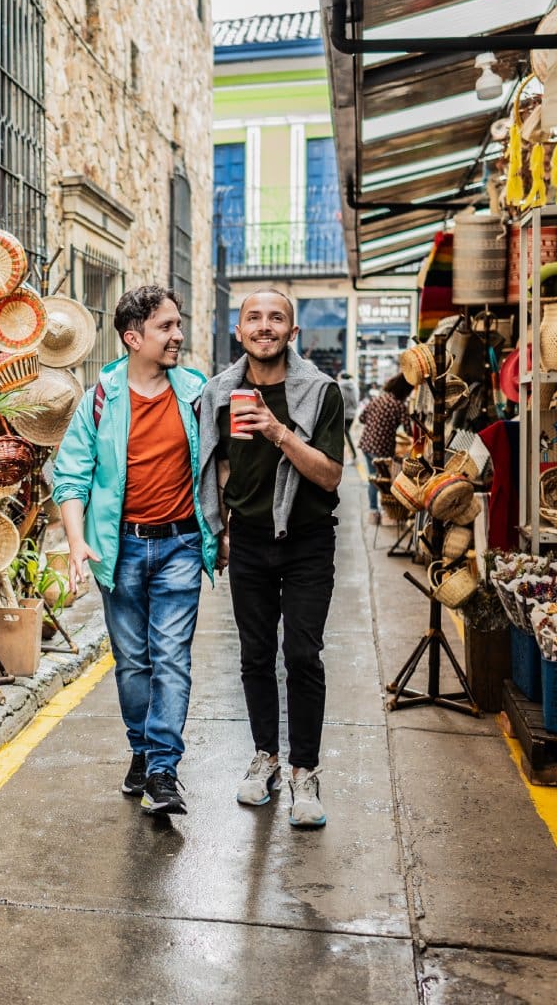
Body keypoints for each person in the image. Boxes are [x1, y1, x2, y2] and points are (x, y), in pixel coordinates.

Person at [52, 284, 216, 817]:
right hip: (118, 551)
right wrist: (77, 542)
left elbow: (221, 466)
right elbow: (71, 476)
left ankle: (163, 769)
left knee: (171, 658)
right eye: (166, 327)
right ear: (133, 337)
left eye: (177, 324)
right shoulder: (102, 398)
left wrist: (224, 528)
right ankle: (142, 753)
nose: (178, 335)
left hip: (181, 546)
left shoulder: (195, 392)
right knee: (133, 662)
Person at [196, 290, 343, 828]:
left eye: (276, 318)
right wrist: (226, 528)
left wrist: (279, 431)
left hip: (307, 540)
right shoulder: (221, 392)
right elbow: (224, 465)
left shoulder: (320, 393)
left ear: (292, 332)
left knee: (302, 654)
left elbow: (329, 475)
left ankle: (305, 770)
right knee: (256, 656)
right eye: (254, 318)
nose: (265, 327)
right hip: (252, 541)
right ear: (239, 332)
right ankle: (267, 758)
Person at [357, 373, 411, 525]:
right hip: (381, 449)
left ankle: (374, 513)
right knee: (380, 480)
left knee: (373, 478)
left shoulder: (377, 399)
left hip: (367, 444)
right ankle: (378, 513)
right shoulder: (399, 406)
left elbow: (362, 418)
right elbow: (409, 430)